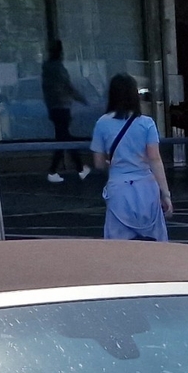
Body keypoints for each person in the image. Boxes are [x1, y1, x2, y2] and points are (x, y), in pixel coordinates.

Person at [92, 72, 169, 240]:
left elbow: (98, 163)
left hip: (119, 188)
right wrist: (166, 194)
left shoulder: (102, 123)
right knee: (155, 242)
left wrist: (109, 163)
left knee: (118, 246)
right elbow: (155, 159)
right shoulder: (147, 123)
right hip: (146, 187)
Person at [42, 42, 88, 180]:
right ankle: (60, 170)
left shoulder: (47, 70)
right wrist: (81, 99)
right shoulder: (58, 69)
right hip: (62, 106)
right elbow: (68, 87)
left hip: (54, 106)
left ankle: (64, 169)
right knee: (64, 138)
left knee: (63, 137)